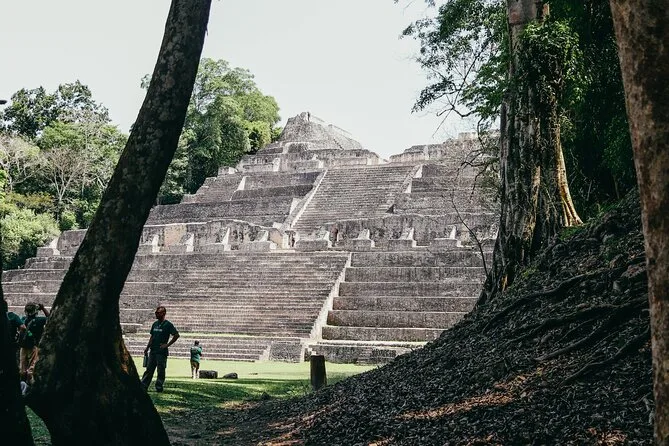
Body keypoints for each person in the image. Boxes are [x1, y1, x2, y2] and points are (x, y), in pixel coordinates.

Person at [141, 306, 179, 392]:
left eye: (158, 313)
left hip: (161, 352)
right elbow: (152, 337)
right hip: (153, 350)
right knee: (149, 369)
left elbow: (176, 335)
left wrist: (167, 345)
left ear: (163, 313)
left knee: (160, 370)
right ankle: (143, 386)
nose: (156, 314)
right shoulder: (155, 324)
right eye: (156, 313)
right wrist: (147, 347)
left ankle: (159, 387)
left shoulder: (168, 325)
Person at [19, 302, 49, 383]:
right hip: (33, 346)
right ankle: (30, 384)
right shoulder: (40, 320)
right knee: (31, 368)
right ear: (35, 311)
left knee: (22, 369)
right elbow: (50, 318)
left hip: (23, 346)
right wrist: (43, 308)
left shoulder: (23, 319)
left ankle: (22, 384)